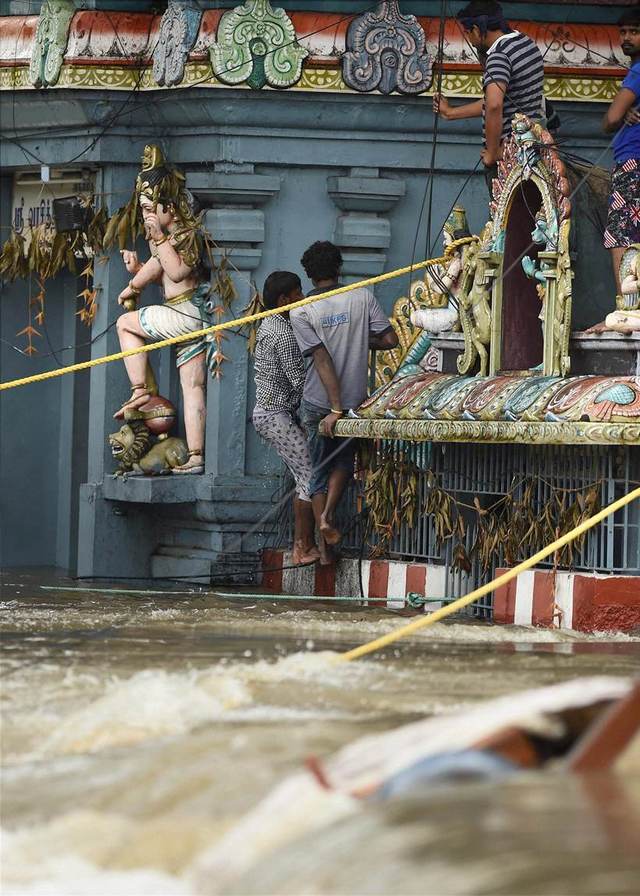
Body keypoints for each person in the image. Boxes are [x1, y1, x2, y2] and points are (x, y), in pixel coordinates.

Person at [290, 241, 398, 564]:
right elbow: (390, 339)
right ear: (339, 268)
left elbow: (321, 358)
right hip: (353, 400)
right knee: (343, 463)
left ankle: (324, 550)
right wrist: (361, 340)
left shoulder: (302, 311)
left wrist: (333, 408)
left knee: (317, 471)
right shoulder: (362, 296)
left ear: (309, 277)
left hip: (319, 401)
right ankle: (327, 519)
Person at [114, 144, 215, 474]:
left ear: (170, 207)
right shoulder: (171, 239)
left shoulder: (184, 236)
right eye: (142, 210)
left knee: (126, 324)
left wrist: (155, 242)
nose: (146, 217)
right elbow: (157, 271)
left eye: (149, 209)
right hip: (187, 315)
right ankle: (197, 455)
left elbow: (175, 272)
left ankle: (140, 390)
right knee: (192, 387)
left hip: (184, 314)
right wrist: (135, 273)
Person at [433, 0, 545, 191]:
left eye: (468, 33)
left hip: (510, 159)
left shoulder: (498, 56)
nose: (469, 39)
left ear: (477, 30)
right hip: (532, 149)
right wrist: (451, 113)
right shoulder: (526, 43)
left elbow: (494, 105)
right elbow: (498, 101)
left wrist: (492, 153)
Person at [252, 271, 319, 565]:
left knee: (304, 477)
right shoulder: (282, 334)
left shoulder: (271, 323)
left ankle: (303, 545)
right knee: (311, 477)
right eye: (298, 294)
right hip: (274, 415)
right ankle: (302, 547)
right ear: (284, 300)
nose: (302, 299)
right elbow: (300, 383)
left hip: (274, 414)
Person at [602, 8, 640, 299]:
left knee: (622, 236)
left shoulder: (638, 71)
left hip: (631, 164)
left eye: (634, 31)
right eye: (623, 31)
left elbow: (610, 120)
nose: (626, 38)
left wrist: (620, 112)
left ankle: (625, 311)